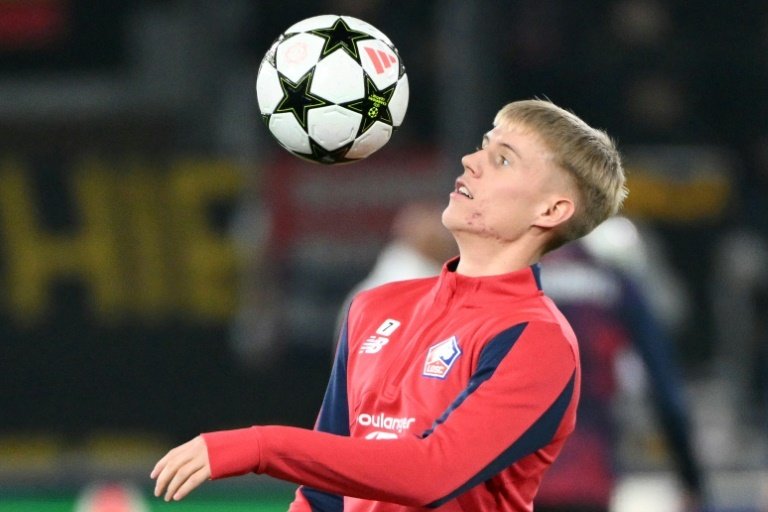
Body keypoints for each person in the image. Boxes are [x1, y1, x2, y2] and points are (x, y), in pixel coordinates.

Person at [150, 98, 627, 511]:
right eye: (482, 145)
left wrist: (258, 446)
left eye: (502, 160)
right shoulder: (374, 307)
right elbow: (323, 494)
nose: (470, 161)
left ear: (551, 210)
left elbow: (431, 473)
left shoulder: (535, 339)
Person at [534, 216, 705, 512]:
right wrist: (691, 480)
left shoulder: (517, 281)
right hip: (588, 472)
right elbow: (667, 397)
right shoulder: (617, 288)